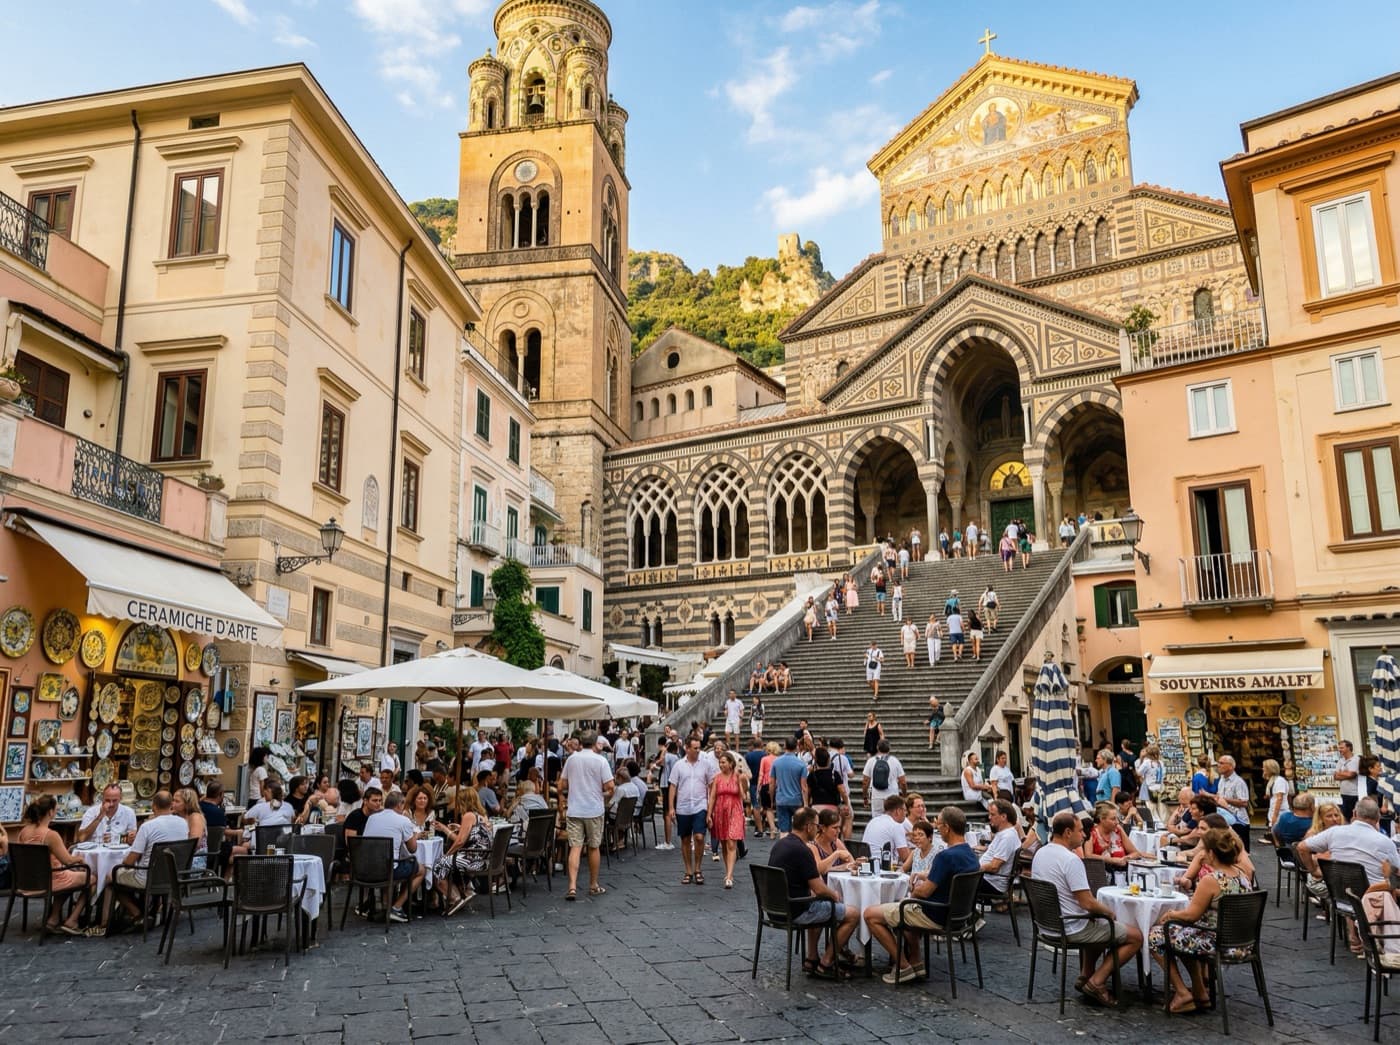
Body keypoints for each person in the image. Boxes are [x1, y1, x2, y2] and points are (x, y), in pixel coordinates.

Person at [1032, 811, 1144, 1007]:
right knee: (1136, 936)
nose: (1084, 835)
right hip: (1070, 927)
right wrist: (1109, 912)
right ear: (1068, 832)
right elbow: (1087, 903)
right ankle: (1097, 981)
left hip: (1047, 924)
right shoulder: (1071, 860)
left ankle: (1085, 975)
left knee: (1098, 921)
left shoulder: (1040, 853)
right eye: (1080, 830)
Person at [864, 806, 980, 983]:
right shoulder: (971, 854)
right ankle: (916, 962)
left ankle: (903, 966)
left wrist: (912, 892)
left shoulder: (945, 856)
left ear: (947, 827)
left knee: (870, 915)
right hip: (959, 915)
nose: (937, 828)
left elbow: (924, 891)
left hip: (934, 913)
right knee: (905, 911)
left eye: (938, 825)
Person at [1148, 827, 1254, 1013]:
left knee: (1156, 935)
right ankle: (1199, 991)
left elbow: (1191, 916)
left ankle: (1182, 992)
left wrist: (1172, 914)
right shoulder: (1242, 876)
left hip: (1217, 943)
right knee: (1181, 935)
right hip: (1242, 943)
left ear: (1211, 853)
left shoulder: (1211, 880)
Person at [770, 808, 860, 979]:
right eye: (817, 825)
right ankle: (826, 962)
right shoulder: (803, 850)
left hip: (777, 908)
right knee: (853, 914)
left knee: (820, 903)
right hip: (797, 910)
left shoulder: (780, 844)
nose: (818, 829)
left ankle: (812, 958)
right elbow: (819, 888)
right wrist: (833, 895)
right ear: (809, 826)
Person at [99, 790, 190, 934]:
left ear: (153, 806)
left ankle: (136, 914)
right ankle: (143, 912)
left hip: (148, 878)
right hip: (173, 876)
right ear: (171, 805)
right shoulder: (183, 824)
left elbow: (130, 860)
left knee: (111, 877)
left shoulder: (148, 826)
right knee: (123, 875)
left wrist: (123, 860)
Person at [15, 795, 91, 935]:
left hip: (28, 882)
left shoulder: (24, 831)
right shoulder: (51, 835)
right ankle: (72, 920)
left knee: (69, 877)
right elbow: (67, 861)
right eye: (56, 809)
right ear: (50, 812)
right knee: (91, 878)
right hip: (50, 881)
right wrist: (79, 859)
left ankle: (53, 918)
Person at [559, 728, 615, 900]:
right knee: (593, 847)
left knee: (575, 847)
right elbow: (610, 787)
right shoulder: (600, 761)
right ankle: (593, 884)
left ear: (581, 742)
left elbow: (561, 785)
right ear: (596, 743)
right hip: (593, 809)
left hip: (575, 809)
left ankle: (572, 886)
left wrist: (564, 799)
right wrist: (604, 796)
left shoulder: (571, 759)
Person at [362, 790, 423, 922]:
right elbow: (413, 849)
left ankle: (386, 905)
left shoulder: (372, 818)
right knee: (421, 870)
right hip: (388, 870)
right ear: (399, 805)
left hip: (365, 869)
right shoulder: (403, 821)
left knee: (389, 861)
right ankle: (396, 907)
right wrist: (415, 836)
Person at [433, 786, 489, 915]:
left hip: (474, 860)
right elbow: (466, 837)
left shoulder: (468, 815)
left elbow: (459, 841)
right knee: (446, 862)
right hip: (482, 858)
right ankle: (465, 891)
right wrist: (449, 829)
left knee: (438, 865)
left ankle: (455, 897)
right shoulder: (480, 815)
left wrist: (447, 855)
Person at [707, 751, 746, 889]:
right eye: (720, 762)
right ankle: (728, 870)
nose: (721, 764)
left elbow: (744, 796)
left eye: (723, 762)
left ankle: (729, 876)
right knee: (723, 843)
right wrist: (709, 814)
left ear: (731, 763)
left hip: (735, 810)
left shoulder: (738, 777)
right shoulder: (716, 778)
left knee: (731, 842)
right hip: (720, 812)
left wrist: (741, 781)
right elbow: (712, 797)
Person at [979, 799, 1021, 906]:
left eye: (992, 814)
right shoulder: (1004, 834)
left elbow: (994, 867)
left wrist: (973, 868)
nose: (989, 817)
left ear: (1003, 817)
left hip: (992, 883)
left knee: (954, 879)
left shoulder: (1008, 837)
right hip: (987, 878)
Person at [1082, 802, 1142, 874]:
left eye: (1117, 818)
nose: (1117, 822)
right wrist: (1112, 860)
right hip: (1101, 874)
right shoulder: (1092, 832)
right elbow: (1088, 856)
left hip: (1122, 872)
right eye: (1113, 819)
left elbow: (1135, 853)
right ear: (1102, 819)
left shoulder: (1117, 829)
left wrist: (1126, 859)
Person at [862, 794, 912, 870]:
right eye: (905, 810)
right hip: (883, 868)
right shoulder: (896, 825)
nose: (906, 813)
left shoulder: (873, 821)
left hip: (866, 866)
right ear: (898, 811)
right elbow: (905, 857)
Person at [770, 738, 809, 836]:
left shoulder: (776, 762)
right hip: (796, 800)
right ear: (796, 747)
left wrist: (772, 799)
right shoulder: (801, 764)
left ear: (784, 746)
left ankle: (784, 849)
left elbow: (772, 783)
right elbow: (804, 786)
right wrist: (806, 804)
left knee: (783, 830)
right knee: (799, 829)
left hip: (781, 799)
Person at [1213, 755, 1252, 852]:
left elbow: (1244, 802)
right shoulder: (1221, 780)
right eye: (1218, 763)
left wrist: (1225, 800)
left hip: (1238, 821)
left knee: (1240, 851)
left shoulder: (1238, 782)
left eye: (1222, 763)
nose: (1218, 765)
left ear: (1231, 766)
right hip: (1225, 819)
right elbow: (1219, 795)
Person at [863, 739, 906, 814]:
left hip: (876, 797)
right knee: (893, 820)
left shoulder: (871, 761)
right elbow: (903, 782)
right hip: (892, 797)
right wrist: (904, 796)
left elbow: (865, 781)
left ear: (877, 747)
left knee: (877, 822)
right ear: (889, 748)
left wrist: (865, 797)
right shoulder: (895, 761)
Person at [172, 788, 210, 871]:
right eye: (173, 800)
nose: (173, 803)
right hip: (179, 857)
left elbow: (194, 844)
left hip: (193, 860)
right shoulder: (176, 817)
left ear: (187, 804)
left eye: (177, 801)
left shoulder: (195, 817)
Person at [756, 740, 780, 839]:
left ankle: (772, 830)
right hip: (778, 784)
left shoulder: (764, 759)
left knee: (768, 808)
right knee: (777, 807)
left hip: (766, 783)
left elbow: (761, 774)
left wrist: (758, 786)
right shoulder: (779, 759)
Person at [1335, 739, 1360, 821]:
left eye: (1342, 748)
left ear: (1348, 748)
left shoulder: (1356, 759)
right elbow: (1335, 776)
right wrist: (1346, 773)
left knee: (1354, 815)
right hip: (1344, 793)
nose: (1339, 750)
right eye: (1339, 748)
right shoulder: (1340, 761)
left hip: (1354, 793)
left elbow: (1352, 775)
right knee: (1346, 816)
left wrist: (1341, 773)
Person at [1262, 758, 1289, 833]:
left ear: (1270, 769)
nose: (1263, 769)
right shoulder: (1272, 780)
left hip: (1280, 812)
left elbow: (1279, 798)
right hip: (1274, 810)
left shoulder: (1279, 781)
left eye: (1265, 767)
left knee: (1278, 832)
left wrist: (1275, 816)